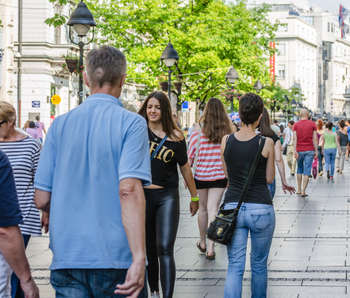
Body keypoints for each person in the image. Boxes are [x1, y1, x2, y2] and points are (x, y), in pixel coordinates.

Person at [34, 46, 150, 298]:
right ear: (123, 79)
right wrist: (139, 256)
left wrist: (51, 208)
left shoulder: (59, 126)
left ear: (86, 79)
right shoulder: (132, 123)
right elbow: (129, 189)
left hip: (68, 257)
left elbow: (41, 198)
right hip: (116, 256)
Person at [138, 91, 199, 298]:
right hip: (142, 197)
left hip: (167, 197)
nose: (152, 111)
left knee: (165, 248)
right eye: (149, 107)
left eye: (157, 107)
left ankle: (167, 295)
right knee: (149, 250)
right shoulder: (137, 131)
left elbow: (185, 169)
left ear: (164, 110)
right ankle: (154, 291)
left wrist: (194, 196)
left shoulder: (176, 137)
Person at [221, 93, 275, 298]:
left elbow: (227, 175)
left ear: (240, 114)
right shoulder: (266, 142)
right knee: (259, 265)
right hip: (261, 207)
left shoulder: (226, 141)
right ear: (260, 117)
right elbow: (269, 178)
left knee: (235, 266)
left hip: (231, 207)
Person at [0, 101, 42, 298]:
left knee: (15, 268)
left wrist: (47, 211)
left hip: (23, 215)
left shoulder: (31, 146)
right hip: (3, 215)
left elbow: (40, 181)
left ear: (11, 121)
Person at [188, 98, 232, 260]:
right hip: (220, 176)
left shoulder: (197, 130)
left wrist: (188, 179)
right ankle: (211, 248)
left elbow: (190, 155)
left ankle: (202, 241)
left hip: (200, 176)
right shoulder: (227, 131)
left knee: (203, 209)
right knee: (214, 208)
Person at [259, 108, 295, 198]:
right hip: (268, 177)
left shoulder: (243, 136)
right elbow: (278, 160)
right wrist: (284, 181)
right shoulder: (273, 137)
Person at [293, 109, 318, 197]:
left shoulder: (296, 125)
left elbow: (294, 139)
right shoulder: (312, 124)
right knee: (307, 170)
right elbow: (315, 138)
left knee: (299, 169)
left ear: (300, 115)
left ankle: (299, 189)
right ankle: (303, 191)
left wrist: (294, 150)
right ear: (308, 115)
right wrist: (316, 150)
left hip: (299, 150)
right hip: (310, 150)